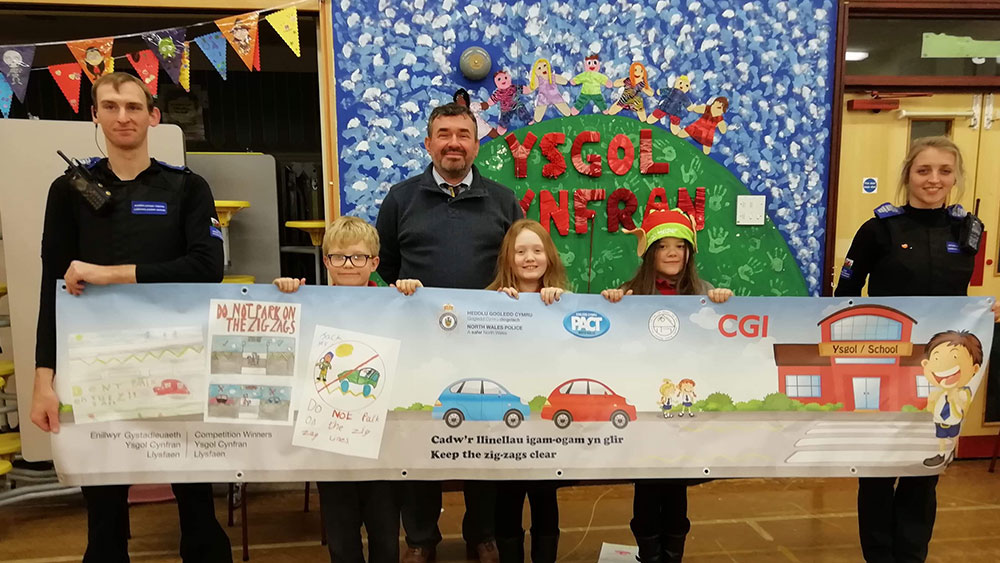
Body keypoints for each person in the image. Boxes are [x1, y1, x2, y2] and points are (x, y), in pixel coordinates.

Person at [30, 71, 232, 563]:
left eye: (134, 107)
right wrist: (43, 379)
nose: (123, 116)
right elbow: (51, 288)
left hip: (179, 360)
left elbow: (207, 267)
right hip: (96, 366)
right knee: (103, 510)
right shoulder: (69, 190)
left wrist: (110, 274)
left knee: (197, 502)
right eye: (111, 106)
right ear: (95, 115)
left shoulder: (186, 187)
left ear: (153, 116)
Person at [835, 136, 1000, 562]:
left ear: (956, 178)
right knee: (875, 473)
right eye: (924, 170)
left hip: (943, 373)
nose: (934, 179)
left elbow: (964, 296)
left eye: (945, 171)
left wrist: (986, 312)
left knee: (924, 471)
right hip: (884, 367)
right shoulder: (878, 230)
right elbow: (844, 295)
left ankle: (911, 556)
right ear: (908, 173)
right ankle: (879, 556)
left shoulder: (970, 231)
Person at [375, 102, 523, 563]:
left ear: (476, 145)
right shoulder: (401, 199)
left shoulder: (502, 201)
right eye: (443, 133)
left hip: (487, 345)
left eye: (463, 133)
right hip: (420, 345)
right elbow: (388, 265)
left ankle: (482, 532)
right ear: (428, 143)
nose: (453, 142)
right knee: (421, 440)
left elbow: (517, 263)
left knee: (484, 441)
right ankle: (420, 539)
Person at [274, 215, 420, 563]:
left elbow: (420, 345)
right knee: (341, 539)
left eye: (358, 257)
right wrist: (281, 292)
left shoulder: (396, 302)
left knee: (386, 536)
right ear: (326, 261)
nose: (349, 265)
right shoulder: (308, 303)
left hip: (383, 444)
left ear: (374, 262)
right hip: (330, 441)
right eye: (339, 257)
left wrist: (411, 295)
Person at [602, 208, 732, 563]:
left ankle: (672, 554)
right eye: (664, 246)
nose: (673, 253)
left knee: (676, 488)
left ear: (690, 253)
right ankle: (648, 553)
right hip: (645, 412)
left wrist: (721, 302)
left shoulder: (703, 293)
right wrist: (613, 303)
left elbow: (719, 341)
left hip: (683, 415)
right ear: (650, 252)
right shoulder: (631, 293)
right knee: (646, 488)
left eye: (680, 246)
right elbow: (611, 341)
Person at [485, 219, 568, 563]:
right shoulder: (488, 300)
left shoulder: (565, 302)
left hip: (547, 424)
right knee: (507, 499)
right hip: (506, 422)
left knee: (545, 498)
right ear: (508, 258)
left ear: (549, 256)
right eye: (520, 251)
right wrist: (497, 309)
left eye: (537, 250)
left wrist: (562, 305)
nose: (529, 258)